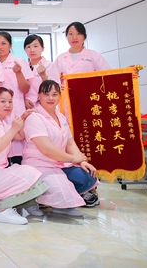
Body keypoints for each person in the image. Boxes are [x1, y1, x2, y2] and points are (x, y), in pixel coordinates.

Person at [0, 87, 47, 225]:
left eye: (10, 102)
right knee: (30, 175)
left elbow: (19, 136)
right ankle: (2, 210)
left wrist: (23, 118)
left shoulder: (2, 122)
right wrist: (13, 128)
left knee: (32, 175)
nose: (8, 105)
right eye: (3, 101)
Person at [53, 22, 109, 207]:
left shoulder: (93, 56)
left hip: (88, 109)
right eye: (70, 34)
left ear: (84, 36)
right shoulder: (60, 59)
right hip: (66, 110)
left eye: (77, 33)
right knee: (69, 145)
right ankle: (77, 186)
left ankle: (92, 188)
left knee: (88, 144)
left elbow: (108, 77)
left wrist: (129, 74)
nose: (74, 37)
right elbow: (52, 84)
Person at [23, 80, 99, 216]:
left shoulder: (61, 117)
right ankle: (32, 199)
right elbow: (46, 149)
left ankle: (59, 205)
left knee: (88, 177)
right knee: (61, 192)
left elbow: (70, 143)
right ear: (39, 95)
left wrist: (82, 161)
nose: (50, 98)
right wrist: (73, 158)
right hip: (40, 165)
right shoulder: (34, 117)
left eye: (54, 94)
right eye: (46, 94)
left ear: (59, 96)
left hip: (59, 164)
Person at [0, 31, 32, 163]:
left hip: (17, 108)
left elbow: (26, 89)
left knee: (19, 147)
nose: (0, 47)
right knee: (1, 144)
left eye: (3, 43)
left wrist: (19, 73)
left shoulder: (19, 62)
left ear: (10, 45)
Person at [23, 34, 60, 109]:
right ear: (25, 50)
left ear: (42, 48)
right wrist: (24, 100)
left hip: (43, 106)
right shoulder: (24, 67)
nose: (32, 50)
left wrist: (44, 76)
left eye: (35, 46)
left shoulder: (49, 65)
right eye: (28, 47)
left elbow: (56, 88)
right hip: (25, 106)